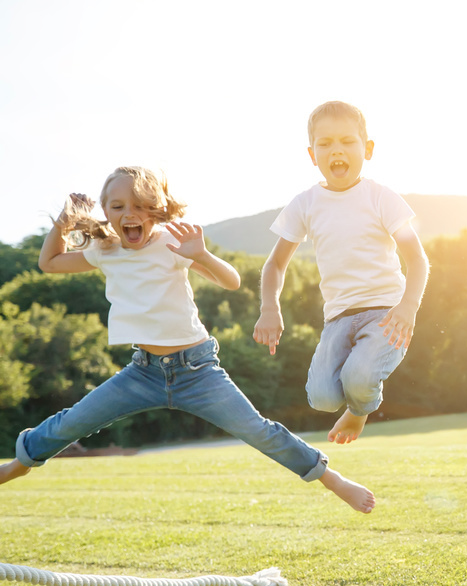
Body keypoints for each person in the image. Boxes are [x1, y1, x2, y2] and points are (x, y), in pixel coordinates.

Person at [0, 166, 375, 514]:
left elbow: (232, 281)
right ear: (106, 212)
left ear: (156, 209)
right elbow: (49, 263)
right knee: (72, 421)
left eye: (140, 205)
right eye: (118, 206)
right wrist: (64, 222)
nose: (129, 213)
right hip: (142, 373)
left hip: (197, 370)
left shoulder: (172, 243)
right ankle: (21, 463)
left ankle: (331, 478)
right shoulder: (105, 250)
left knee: (258, 430)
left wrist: (202, 255)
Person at [254, 101, 430, 445]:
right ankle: (356, 397)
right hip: (337, 318)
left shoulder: (381, 197)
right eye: (325, 143)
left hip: (386, 314)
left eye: (348, 141)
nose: (337, 150)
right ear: (312, 154)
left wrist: (408, 307)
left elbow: (417, 258)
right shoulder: (305, 204)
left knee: (359, 379)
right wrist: (269, 307)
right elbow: (275, 264)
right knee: (322, 398)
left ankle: (361, 409)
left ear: (368, 149)